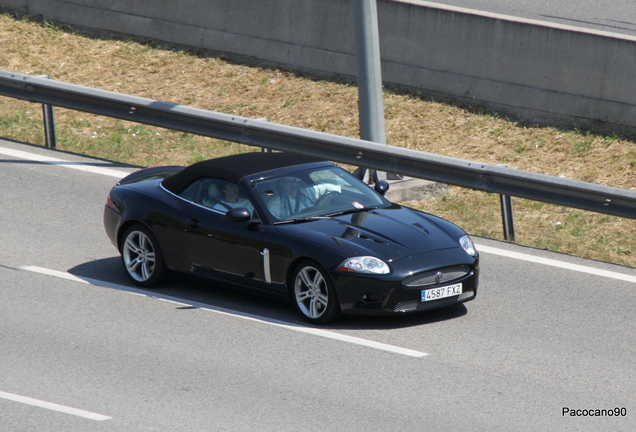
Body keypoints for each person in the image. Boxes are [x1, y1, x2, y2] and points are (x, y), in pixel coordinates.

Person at [267, 178, 340, 219]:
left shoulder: (306, 191)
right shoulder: (277, 202)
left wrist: (335, 193)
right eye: (289, 181)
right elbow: (272, 219)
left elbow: (327, 187)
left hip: (318, 219)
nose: (293, 184)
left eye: (294, 180)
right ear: (281, 185)